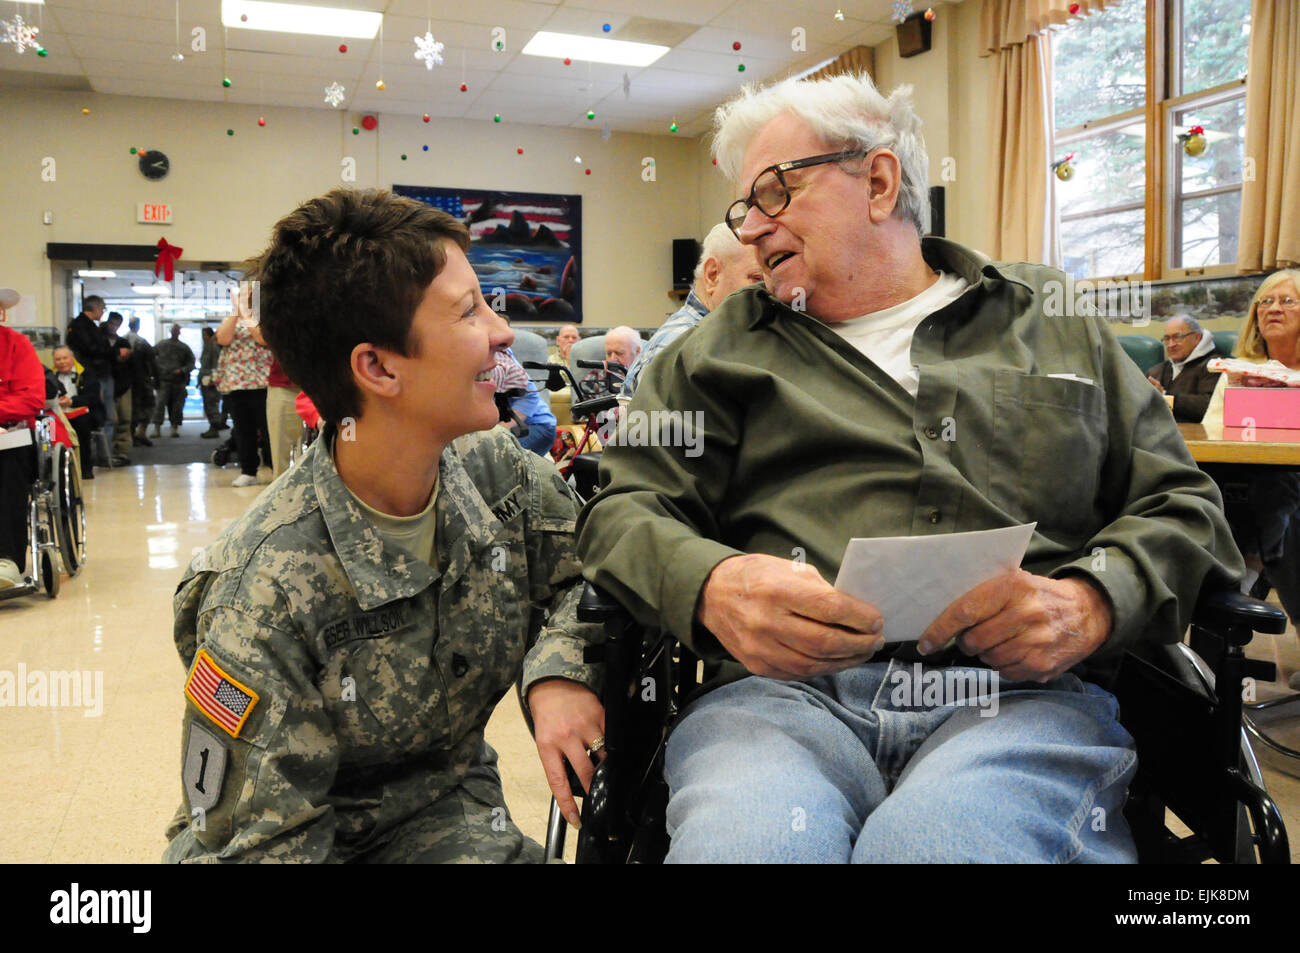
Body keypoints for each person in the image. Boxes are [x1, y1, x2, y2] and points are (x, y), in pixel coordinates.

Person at [575, 72, 1243, 863]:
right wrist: (710, 585)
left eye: (773, 193)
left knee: (932, 849)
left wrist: (1091, 602)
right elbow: (622, 510)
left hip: (1018, 705)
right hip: (777, 705)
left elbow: (1184, 505)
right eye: (742, 208)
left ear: (880, 181)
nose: (750, 228)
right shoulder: (713, 353)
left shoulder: (1049, 321)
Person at [163, 187, 603, 862]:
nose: (503, 331)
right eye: (468, 311)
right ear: (376, 367)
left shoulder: (494, 473)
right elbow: (266, 846)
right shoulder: (262, 588)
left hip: (450, 815)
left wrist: (559, 669)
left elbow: (598, 563)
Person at [1201, 270, 1300, 674]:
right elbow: (1212, 436)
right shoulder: (1237, 372)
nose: (1273, 308)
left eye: (1287, 300)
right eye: (1265, 301)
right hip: (1239, 486)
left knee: (1284, 492)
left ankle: (1248, 570)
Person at [621, 224, 764, 399]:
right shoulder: (679, 349)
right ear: (713, 275)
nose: (770, 292)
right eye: (757, 279)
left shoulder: (726, 338)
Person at [0, 325, 45, 588]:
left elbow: (32, 399)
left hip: (9, 432)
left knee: (7, 465)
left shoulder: (16, 345)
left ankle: (6, 558)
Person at [214, 295, 272, 487]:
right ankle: (248, 471)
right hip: (237, 384)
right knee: (242, 430)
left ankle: (274, 468)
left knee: (268, 429)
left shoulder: (263, 318)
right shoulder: (232, 318)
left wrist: (246, 313)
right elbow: (223, 338)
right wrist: (235, 312)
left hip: (263, 382)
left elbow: (262, 338)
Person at [65, 294, 116, 453]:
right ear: (95, 308)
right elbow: (91, 349)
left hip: (100, 372)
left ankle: (105, 453)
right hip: (93, 375)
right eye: (102, 309)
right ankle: (103, 454)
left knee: (108, 416)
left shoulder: (91, 326)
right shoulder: (80, 325)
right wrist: (110, 351)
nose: (103, 312)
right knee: (103, 417)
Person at [1145, 316, 1218, 423]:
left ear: (1197, 338)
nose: (1171, 344)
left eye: (1177, 337)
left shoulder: (1214, 366)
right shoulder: (1155, 372)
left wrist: (1165, 396)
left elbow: (1209, 406)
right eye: (1167, 339)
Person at [50, 346, 101, 480]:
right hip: (59, 412)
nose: (61, 362)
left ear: (72, 358)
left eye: (65, 358)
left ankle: (85, 469)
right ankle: (58, 471)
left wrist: (72, 402)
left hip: (82, 411)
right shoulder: (51, 375)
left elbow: (93, 397)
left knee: (82, 426)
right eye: (58, 359)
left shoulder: (86, 373)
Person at [152, 324, 195, 438]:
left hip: (178, 382)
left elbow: (191, 363)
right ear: (170, 331)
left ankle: (174, 428)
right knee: (159, 405)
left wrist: (182, 370)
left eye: (177, 330)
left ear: (179, 332)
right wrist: (155, 370)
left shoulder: (184, 347)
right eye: (173, 330)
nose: (175, 332)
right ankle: (157, 428)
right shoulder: (162, 345)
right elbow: (151, 356)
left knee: (177, 406)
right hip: (163, 380)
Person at [102, 312, 134, 464]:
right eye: (111, 323)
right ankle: (107, 453)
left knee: (125, 419)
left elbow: (128, 362)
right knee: (111, 419)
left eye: (117, 324)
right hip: (105, 385)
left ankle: (121, 452)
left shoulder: (123, 342)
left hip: (124, 385)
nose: (114, 327)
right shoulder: (99, 341)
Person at [125, 316, 159, 447]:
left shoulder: (122, 340)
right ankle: (141, 433)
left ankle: (132, 434)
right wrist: (157, 380)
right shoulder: (142, 342)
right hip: (142, 381)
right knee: (148, 406)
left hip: (127, 382)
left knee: (131, 409)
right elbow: (152, 362)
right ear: (138, 326)